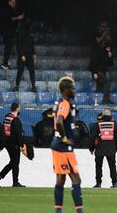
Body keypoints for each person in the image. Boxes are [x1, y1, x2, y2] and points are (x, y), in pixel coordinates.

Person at [51, 77, 84, 213]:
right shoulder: (64, 104)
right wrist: (65, 138)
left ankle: (58, 210)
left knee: (61, 179)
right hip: (63, 146)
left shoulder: (60, 102)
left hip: (57, 145)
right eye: (72, 88)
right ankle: (79, 211)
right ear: (66, 90)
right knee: (76, 178)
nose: (74, 91)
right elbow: (59, 121)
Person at [89, 109, 117, 188]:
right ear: (110, 116)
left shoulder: (98, 124)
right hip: (111, 149)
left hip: (99, 149)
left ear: (102, 116)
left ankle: (98, 183)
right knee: (112, 166)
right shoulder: (114, 124)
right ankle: (114, 183)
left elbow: (92, 138)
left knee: (98, 166)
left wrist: (91, 148)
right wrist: (115, 148)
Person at [0, 103, 25, 187]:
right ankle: (15, 181)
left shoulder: (7, 117)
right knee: (15, 162)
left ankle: (0, 175)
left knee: (13, 161)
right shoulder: (15, 119)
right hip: (13, 143)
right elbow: (18, 133)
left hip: (7, 142)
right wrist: (21, 144)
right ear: (17, 108)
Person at [0, 0, 25, 70]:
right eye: (13, 2)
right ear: (9, 2)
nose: (14, 4)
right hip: (5, 31)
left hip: (11, 31)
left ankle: (6, 62)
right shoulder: (6, 10)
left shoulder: (14, 9)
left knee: (11, 45)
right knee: (8, 46)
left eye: (15, 3)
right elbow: (9, 19)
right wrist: (18, 18)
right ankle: (5, 63)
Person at [89, 34, 113, 104]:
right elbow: (93, 61)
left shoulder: (105, 49)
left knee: (100, 86)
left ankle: (100, 101)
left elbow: (110, 63)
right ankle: (105, 100)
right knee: (107, 83)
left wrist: (110, 56)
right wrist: (94, 72)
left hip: (103, 70)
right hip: (98, 71)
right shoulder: (95, 48)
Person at [14, 23, 37, 92]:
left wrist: (34, 53)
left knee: (32, 71)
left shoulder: (30, 35)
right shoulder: (20, 34)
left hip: (30, 55)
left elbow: (32, 45)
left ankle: (33, 86)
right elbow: (19, 45)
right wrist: (21, 55)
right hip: (23, 55)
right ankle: (17, 86)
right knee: (20, 71)